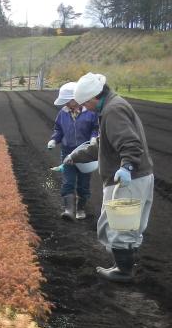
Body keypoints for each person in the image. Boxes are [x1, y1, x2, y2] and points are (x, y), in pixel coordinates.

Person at [64, 73, 154, 283]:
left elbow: (130, 143)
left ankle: (123, 272)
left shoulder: (113, 111)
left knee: (120, 226)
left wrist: (127, 167)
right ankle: (123, 266)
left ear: (95, 97)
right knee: (123, 225)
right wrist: (75, 156)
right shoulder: (111, 106)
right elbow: (101, 144)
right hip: (134, 176)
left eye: (86, 103)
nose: (86, 107)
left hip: (128, 178)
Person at [47, 82, 99, 220]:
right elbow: (58, 129)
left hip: (86, 153)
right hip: (67, 151)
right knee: (68, 181)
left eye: (68, 101)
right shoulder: (62, 113)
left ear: (76, 99)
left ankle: (81, 209)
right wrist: (54, 140)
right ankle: (69, 210)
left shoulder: (90, 113)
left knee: (83, 183)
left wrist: (94, 138)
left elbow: (96, 128)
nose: (67, 104)